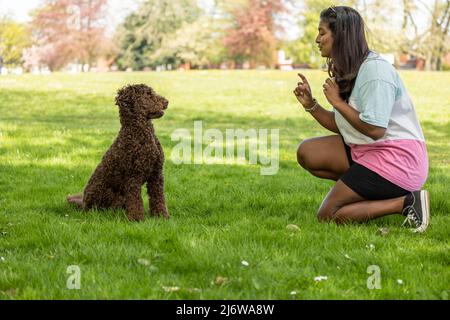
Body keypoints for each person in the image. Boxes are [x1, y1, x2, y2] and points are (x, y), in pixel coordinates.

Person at [293, 6, 430, 232]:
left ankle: (406, 203)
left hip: (398, 159)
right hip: (368, 149)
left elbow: (375, 129)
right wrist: (312, 105)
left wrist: (337, 102)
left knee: (328, 215)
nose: (317, 39)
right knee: (307, 153)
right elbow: (345, 126)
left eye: (322, 32)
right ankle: (361, 193)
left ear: (341, 35)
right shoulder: (351, 68)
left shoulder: (375, 72)